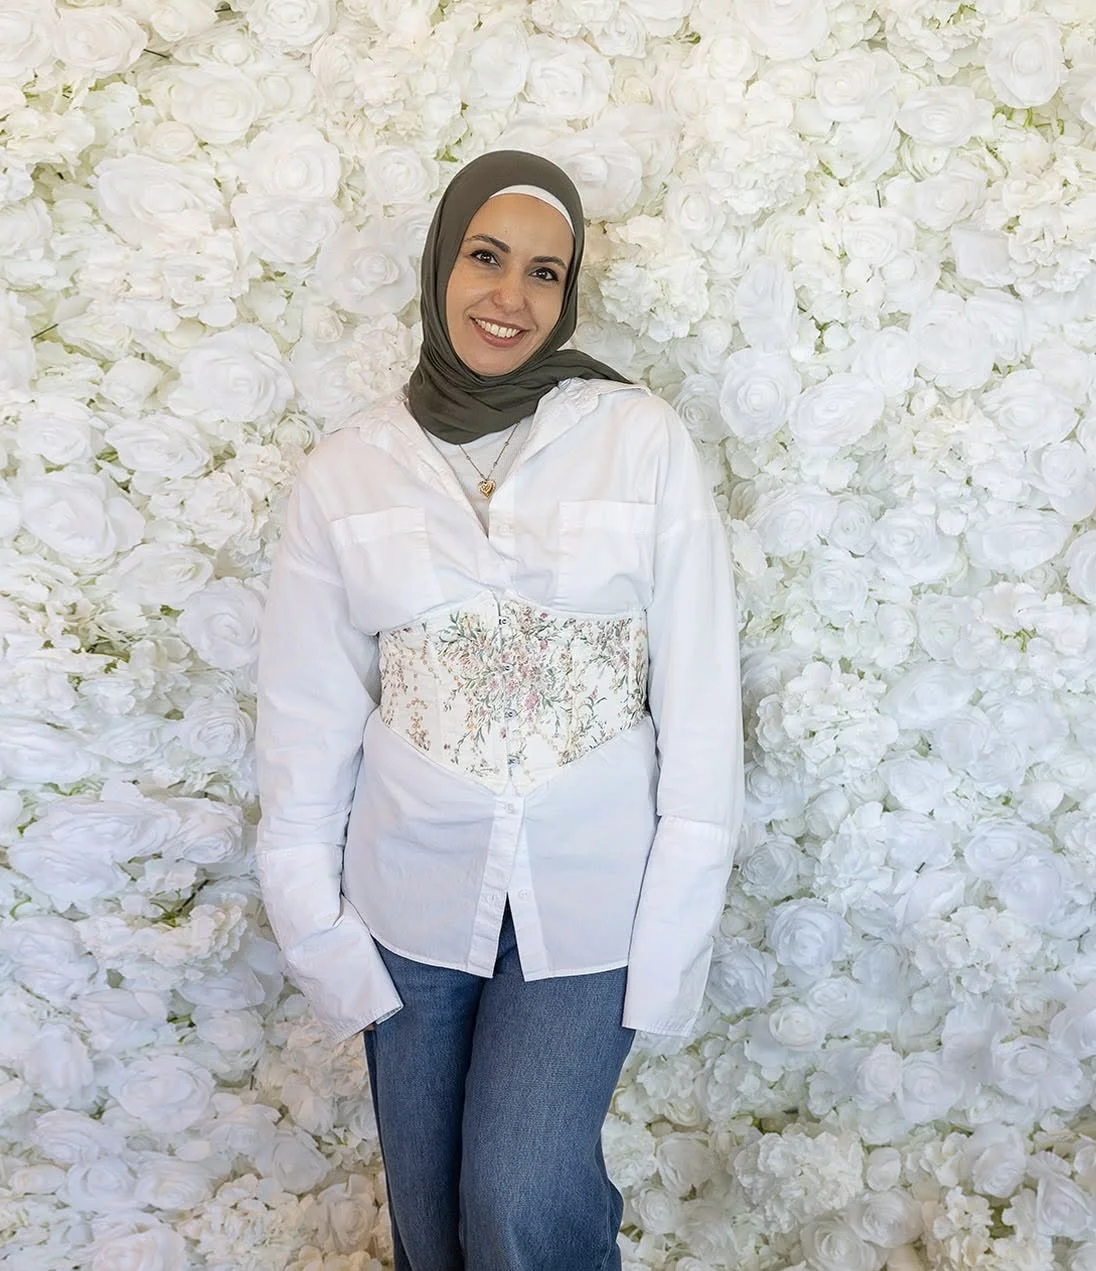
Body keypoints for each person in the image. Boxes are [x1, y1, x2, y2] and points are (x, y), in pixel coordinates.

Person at [255, 150, 743, 1271]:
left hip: (592, 894)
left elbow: (701, 696)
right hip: (405, 892)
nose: (508, 297)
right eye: (484, 257)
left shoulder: (638, 438)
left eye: (543, 272)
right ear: (439, 264)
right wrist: (317, 930)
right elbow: (305, 715)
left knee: (519, 1196)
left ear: (568, 295)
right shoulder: (347, 469)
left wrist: (676, 924)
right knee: (431, 1221)